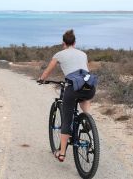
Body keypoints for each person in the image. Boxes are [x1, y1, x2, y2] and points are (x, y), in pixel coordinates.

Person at [39, 29, 97, 162]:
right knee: (85, 97)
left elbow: (48, 70)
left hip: (72, 88)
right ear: (74, 43)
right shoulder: (83, 54)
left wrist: (42, 79)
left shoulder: (59, 54)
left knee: (67, 119)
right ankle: (87, 118)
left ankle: (62, 153)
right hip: (89, 86)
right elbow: (86, 70)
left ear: (63, 43)